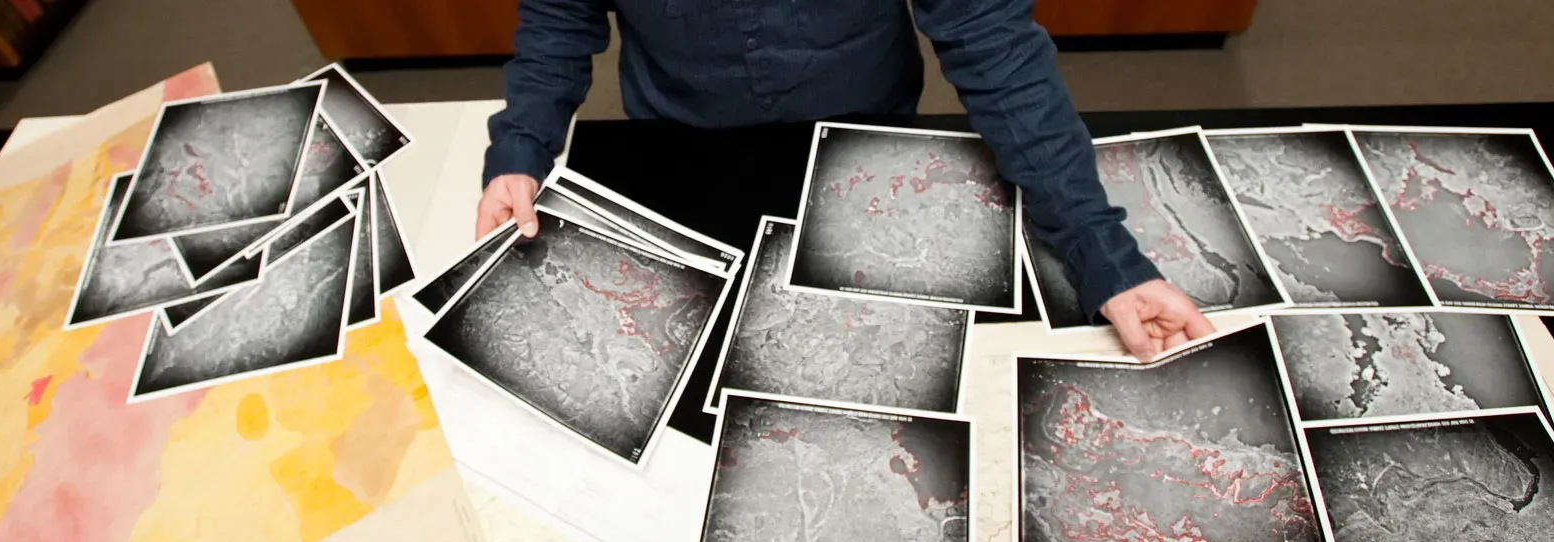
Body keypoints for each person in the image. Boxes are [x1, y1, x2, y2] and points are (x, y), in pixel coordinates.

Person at [473, 0, 1213, 360]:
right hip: (682, 147)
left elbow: (997, 49)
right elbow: (559, 20)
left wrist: (1099, 250)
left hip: (865, 135)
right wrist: (521, 147)